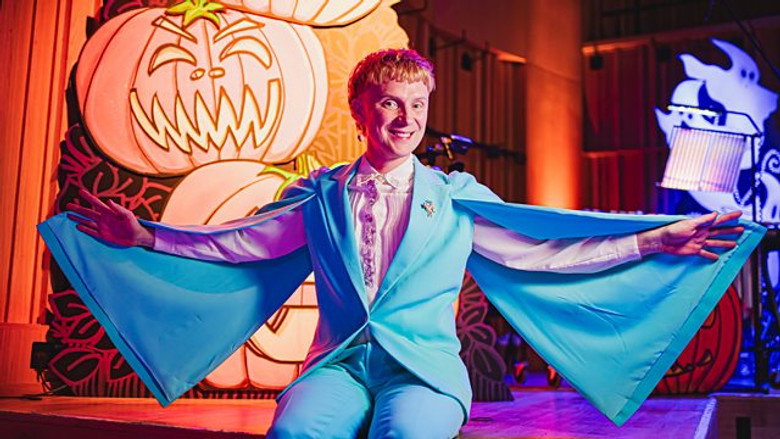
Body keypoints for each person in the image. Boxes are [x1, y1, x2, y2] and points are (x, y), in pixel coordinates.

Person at [40, 49, 764, 438]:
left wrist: (655, 239)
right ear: (362, 112)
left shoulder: (456, 198)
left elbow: (551, 251)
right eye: (390, 103)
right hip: (337, 367)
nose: (406, 118)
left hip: (424, 373)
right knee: (293, 435)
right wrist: (147, 234)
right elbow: (237, 245)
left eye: (417, 105)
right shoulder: (319, 196)